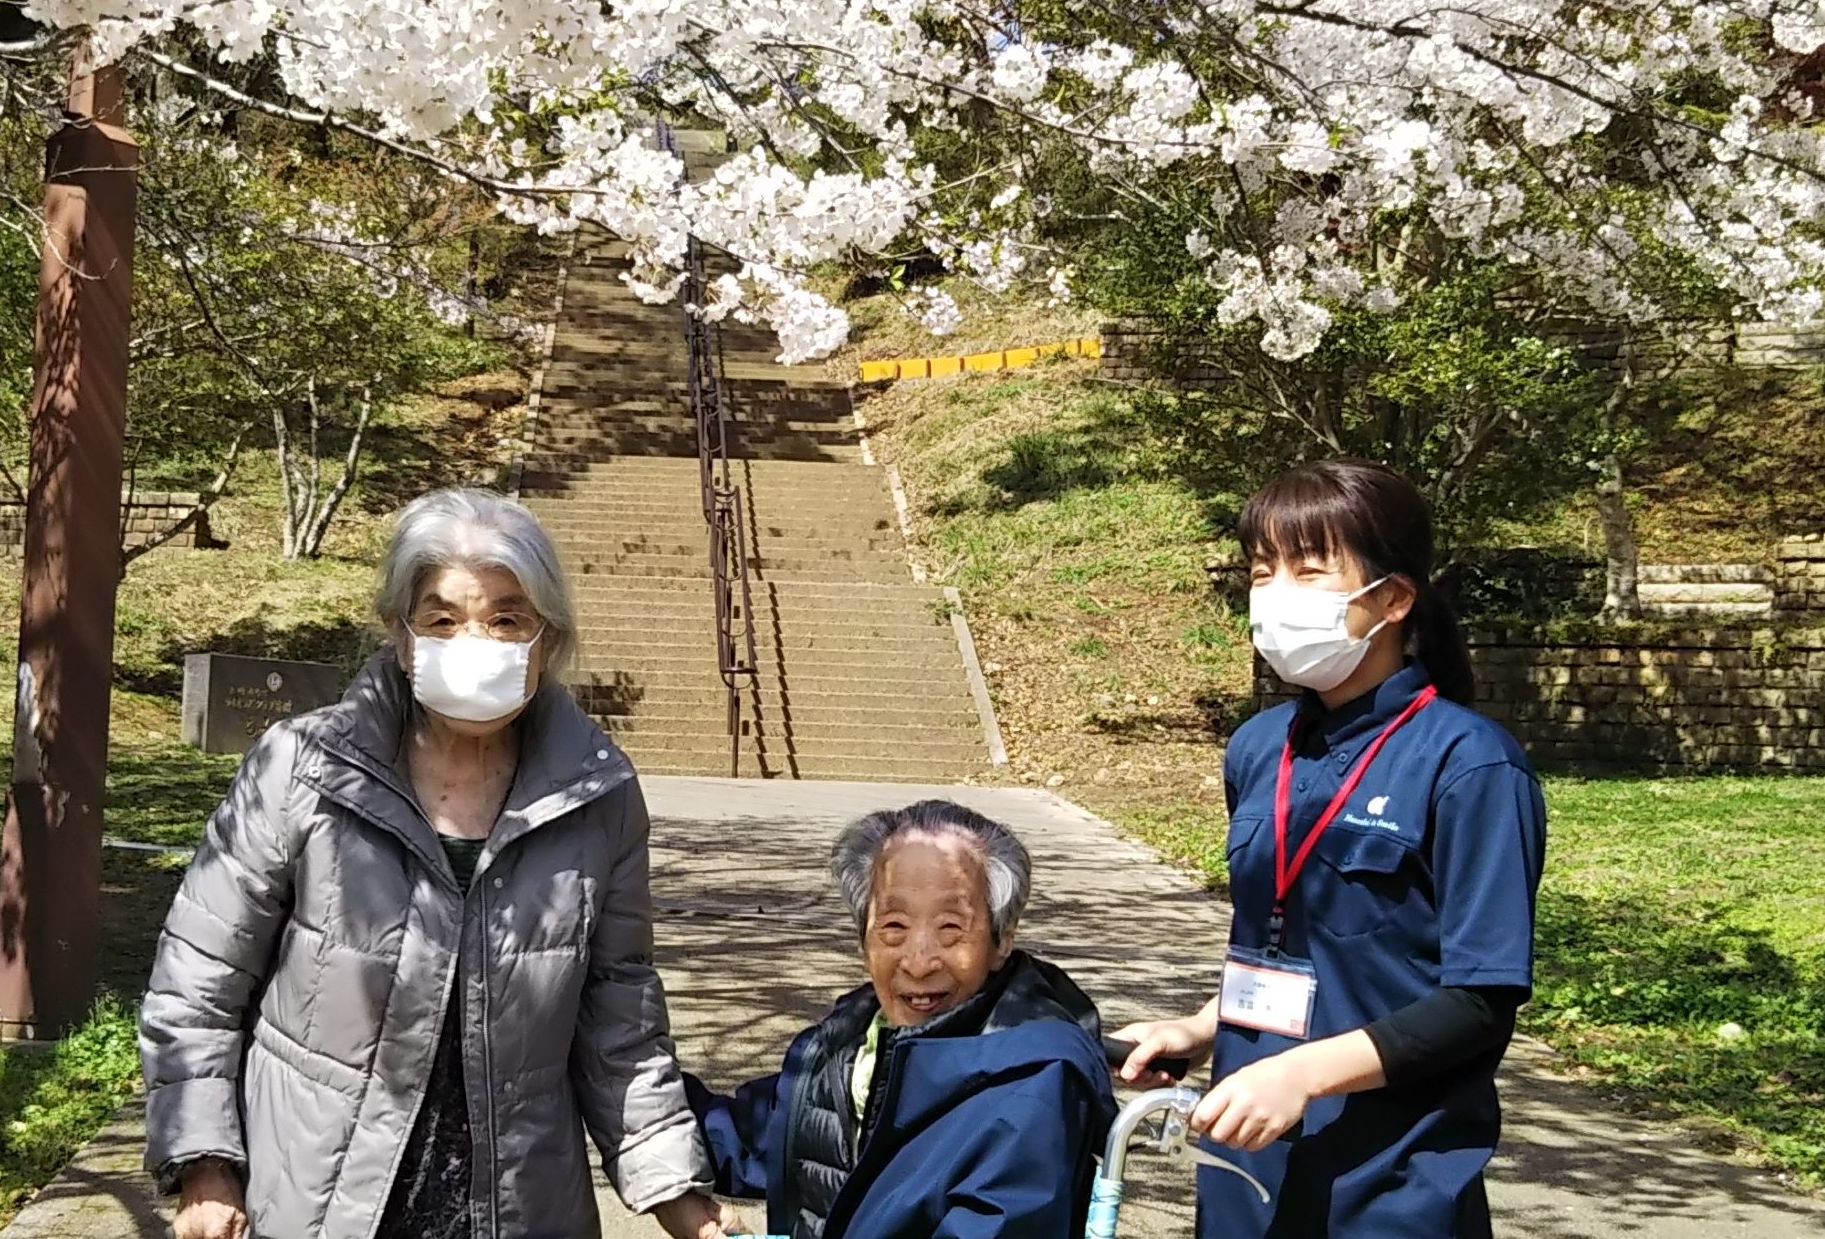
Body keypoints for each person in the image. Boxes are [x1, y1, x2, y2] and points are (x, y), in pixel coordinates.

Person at [139, 487, 729, 1239]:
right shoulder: (303, 769)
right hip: (317, 1198)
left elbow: (620, 1019)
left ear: (547, 638)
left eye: (505, 619)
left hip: (518, 1205)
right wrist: (205, 1165)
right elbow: (197, 981)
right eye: (443, 620)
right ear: (400, 633)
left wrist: (677, 1193)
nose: (474, 643)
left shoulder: (599, 796)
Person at [1117, 459, 1547, 1238]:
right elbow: (1287, 944)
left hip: (1389, 1180)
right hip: (1245, 1163)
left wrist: (1305, 1075)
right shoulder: (1258, 748)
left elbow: (1480, 1001)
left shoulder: (1471, 765)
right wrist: (1202, 1028)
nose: (1277, 592)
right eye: (1262, 571)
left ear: (1393, 598)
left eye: (1310, 570)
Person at [685, 800, 1118, 1239]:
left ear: (1002, 939)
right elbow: (748, 1138)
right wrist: (644, 1103)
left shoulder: (1033, 1089)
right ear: (863, 937)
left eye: (951, 927)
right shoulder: (855, 1043)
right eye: (894, 925)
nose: (919, 962)